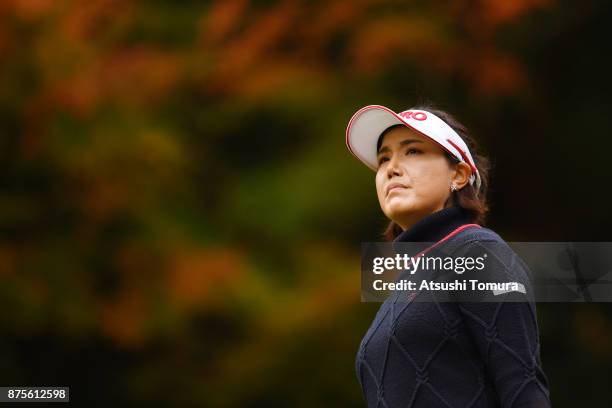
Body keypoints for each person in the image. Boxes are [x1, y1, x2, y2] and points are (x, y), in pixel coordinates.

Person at [346, 105, 551, 407]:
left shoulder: (477, 251)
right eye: (383, 159)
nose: (391, 168)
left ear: (458, 173)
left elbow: (523, 388)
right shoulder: (407, 281)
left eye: (412, 151)